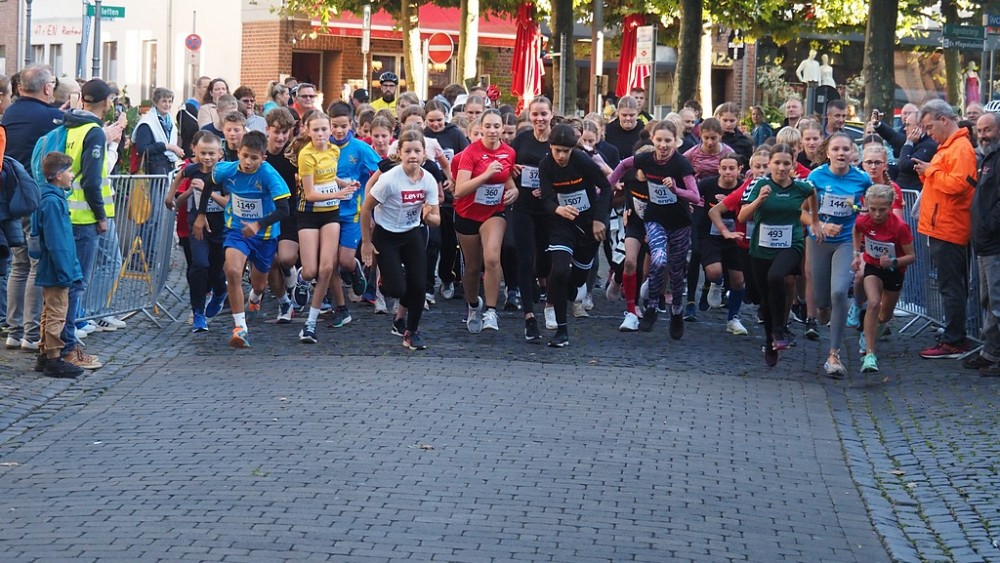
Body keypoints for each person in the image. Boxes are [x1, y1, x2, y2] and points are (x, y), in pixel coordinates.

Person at [196, 131, 290, 348]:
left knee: (259, 284)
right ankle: (240, 327)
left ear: (263, 158)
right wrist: (201, 214)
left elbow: (284, 210)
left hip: (264, 235)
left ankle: (259, 297)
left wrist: (258, 224)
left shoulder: (269, 175)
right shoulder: (226, 170)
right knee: (232, 270)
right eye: (245, 156)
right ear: (238, 152)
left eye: (254, 158)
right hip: (237, 230)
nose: (248, 162)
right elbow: (208, 184)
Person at [608, 120, 699, 336]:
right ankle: (652, 307)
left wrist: (676, 189)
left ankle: (676, 311)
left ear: (676, 141)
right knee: (658, 260)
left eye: (668, 141)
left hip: (679, 223)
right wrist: (608, 185)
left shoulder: (681, 164)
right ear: (653, 139)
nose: (663, 145)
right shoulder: (646, 158)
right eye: (659, 140)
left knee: (675, 271)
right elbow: (623, 165)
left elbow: (695, 196)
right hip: (654, 218)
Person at [360, 129, 441, 350]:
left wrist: (428, 216)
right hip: (386, 235)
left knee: (418, 286)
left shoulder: (429, 180)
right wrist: (366, 242)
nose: (413, 155)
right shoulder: (389, 180)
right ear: (400, 154)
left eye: (417, 151)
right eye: (408, 151)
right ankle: (386, 280)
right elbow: (366, 209)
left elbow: (436, 220)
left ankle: (410, 332)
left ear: (424, 154)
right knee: (397, 289)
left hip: (412, 233)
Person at [2, 64, 63, 353]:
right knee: (36, 264)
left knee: (19, 265)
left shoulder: (10, 113)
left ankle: (14, 332)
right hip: (33, 198)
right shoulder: (51, 117)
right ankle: (31, 333)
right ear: (47, 88)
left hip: (10, 199)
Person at [739, 144, 817, 367]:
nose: (782, 168)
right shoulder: (758, 184)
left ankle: (780, 328)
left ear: (793, 165)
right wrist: (759, 200)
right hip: (761, 248)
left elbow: (812, 199)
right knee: (765, 297)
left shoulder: (802, 187)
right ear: (770, 164)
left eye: (786, 163)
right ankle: (770, 340)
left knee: (776, 276)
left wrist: (816, 222)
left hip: (791, 244)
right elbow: (743, 217)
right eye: (777, 163)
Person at [285, 111, 359, 343]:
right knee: (311, 271)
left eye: (324, 129)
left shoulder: (334, 150)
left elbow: (329, 177)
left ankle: (310, 324)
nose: (320, 134)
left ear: (330, 130)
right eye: (315, 130)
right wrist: (338, 194)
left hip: (330, 214)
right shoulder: (306, 155)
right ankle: (302, 279)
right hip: (308, 214)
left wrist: (345, 184)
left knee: (327, 268)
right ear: (308, 131)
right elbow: (310, 193)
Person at [912, 99, 977, 359]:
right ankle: (953, 334)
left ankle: (954, 340)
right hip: (942, 225)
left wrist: (930, 171)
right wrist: (926, 172)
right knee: (949, 285)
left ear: (944, 120)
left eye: (930, 127)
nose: (928, 133)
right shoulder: (950, 147)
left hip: (950, 226)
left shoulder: (959, 148)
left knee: (951, 286)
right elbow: (944, 181)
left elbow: (958, 185)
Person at [62, 79, 120, 367]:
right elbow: (92, 180)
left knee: (68, 281)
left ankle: (62, 342)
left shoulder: (71, 126)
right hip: (85, 216)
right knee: (77, 283)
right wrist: (100, 215)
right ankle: (68, 345)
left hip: (69, 212)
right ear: (106, 101)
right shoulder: (93, 131)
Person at [538, 124, 611, 347]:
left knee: (577, 280)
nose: (561, 156)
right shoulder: (546, 165)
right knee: (559, 271)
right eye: (557, 150)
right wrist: (558, 209)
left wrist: (600, 219)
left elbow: (606, 187)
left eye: (566, 151)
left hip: (587, 224)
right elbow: (546, 199)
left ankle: (570, 289)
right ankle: (561, 331)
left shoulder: (582, 161)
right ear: (550, 147)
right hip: (561, 224)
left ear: (573, 149)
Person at [807, 132, 872, 377]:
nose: (841, 153)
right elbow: (801, 211)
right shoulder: (816, 177)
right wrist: (820, 225)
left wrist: (865, 212)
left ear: (853, 153)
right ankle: (823, 309)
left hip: (846, 241)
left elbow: (871, 207)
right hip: (819, 242)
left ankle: (834, 354)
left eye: (846, 149)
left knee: (839, 292)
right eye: (836, 149)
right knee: (823, 300)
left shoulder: (862, 179)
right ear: (828, 153)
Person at [454, 109, 518, 333]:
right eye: (488, 126)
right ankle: (473, 306)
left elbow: (507, 178)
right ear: (480, 128)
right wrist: (485, 174)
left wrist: (514, 191)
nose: (492, 131)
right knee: (472, 267)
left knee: (491, 257)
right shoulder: (470, 153)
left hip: (494, 212)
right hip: (467, 213)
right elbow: (459, 190)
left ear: (503, 129)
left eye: (496, 126)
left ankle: (491, 311)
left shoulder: (509, 152)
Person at [30, 152, 86, 378]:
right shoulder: (52, 202)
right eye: (69, 171)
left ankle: (45, 354)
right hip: (57, 267)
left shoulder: (49, 197)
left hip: (53, 265)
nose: (72, 175)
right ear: (59, 175)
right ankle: (53, 358)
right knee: (57, 312)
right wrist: (65, 271)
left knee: (49, 310)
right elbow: (57, 241)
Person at [165, 131, 227, 332]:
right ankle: (198, 313)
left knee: (216, 269)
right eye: (203, 153)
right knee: (199, 265)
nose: (207, 158)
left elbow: (228, 203)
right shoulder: (193, 169)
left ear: (220, 154)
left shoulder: (224, 173)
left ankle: (220, 291)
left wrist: (207, 190)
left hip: (219, 227)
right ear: (196, 153)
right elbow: (181, 174)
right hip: (197, 227)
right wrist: (171, 196)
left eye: (211, 153)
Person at [327, 102, 381, 323]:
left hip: (352, 213)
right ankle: (336, 304)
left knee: (346, 260)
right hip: (327, 211)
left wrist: (369, 196)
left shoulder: (359, 148)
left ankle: (354, 269)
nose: (339, 131)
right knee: (330, 262)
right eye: (334, 126)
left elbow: (381, 169)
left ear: (352, 124)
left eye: (343, 126)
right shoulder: (323, 146)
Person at [851, 184, 915, 373]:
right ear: (867, 205)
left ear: (890, 207)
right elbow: (856, 230)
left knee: (885, 315)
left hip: (894, 271)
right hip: (873, 267)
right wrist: (856, 253)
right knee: (873, 303)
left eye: (882, 210)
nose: (877, 214)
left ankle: (873, 330)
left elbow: (912, 256)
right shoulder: (864, 221)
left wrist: (894, 261)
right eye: (872, 209)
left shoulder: (900, 227)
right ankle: (870, 355)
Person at [510, 96, 555, 338]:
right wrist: (512, 170)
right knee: (525, 258)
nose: (539, 118)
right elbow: (508, 164)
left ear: (551, 114)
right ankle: (529, 316)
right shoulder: (522, 139)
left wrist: (549, 189)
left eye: (543, 114)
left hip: (549, 209)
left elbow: (567, 173)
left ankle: (542, 284)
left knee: (545, 261)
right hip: (523, 206)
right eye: (535, 114)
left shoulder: (557, 140)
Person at [965, 112, 1000, 375]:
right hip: (984, 244)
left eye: (987, 130)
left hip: (994, 244)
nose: (982, 135)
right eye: (979, 130)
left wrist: (989, 225)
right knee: (988, 301)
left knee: (997, 302)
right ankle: (990, 353)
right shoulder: (987, 158)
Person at [699, 153, 749, 336]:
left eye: (732, 168)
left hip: (736, 237)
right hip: (711, 237)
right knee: (714, 272)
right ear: (718, 169)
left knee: (738, 280)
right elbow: (692, 197)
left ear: (739, 169)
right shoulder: (707, 185)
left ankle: (733, 318)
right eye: (724, 168)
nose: (728, 172)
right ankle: (717, 283)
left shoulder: (745, 188)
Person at [132, 87, 184, 174]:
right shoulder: (146, 123)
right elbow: (142, 149)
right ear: (156, 102)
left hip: (168, 167)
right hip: (152, 170)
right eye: (164, 101)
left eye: (170, 101)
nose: (167, 104)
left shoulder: (170, 121)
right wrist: (166, 146)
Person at [896, 111, 937, 191]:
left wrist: (908, 143)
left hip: (915, 191)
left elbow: (905, 165)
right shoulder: (915, 141)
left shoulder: (929, 145)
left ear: (920, 127)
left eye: (908, 125)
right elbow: (892, 137)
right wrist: (878, 125)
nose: (904, 128)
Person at [178, 76, 209, 159]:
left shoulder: (208, 106)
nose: (208, 90)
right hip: (191, 151)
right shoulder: (188, 107)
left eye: (210, 88)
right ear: (197, 88)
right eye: (205, 87)